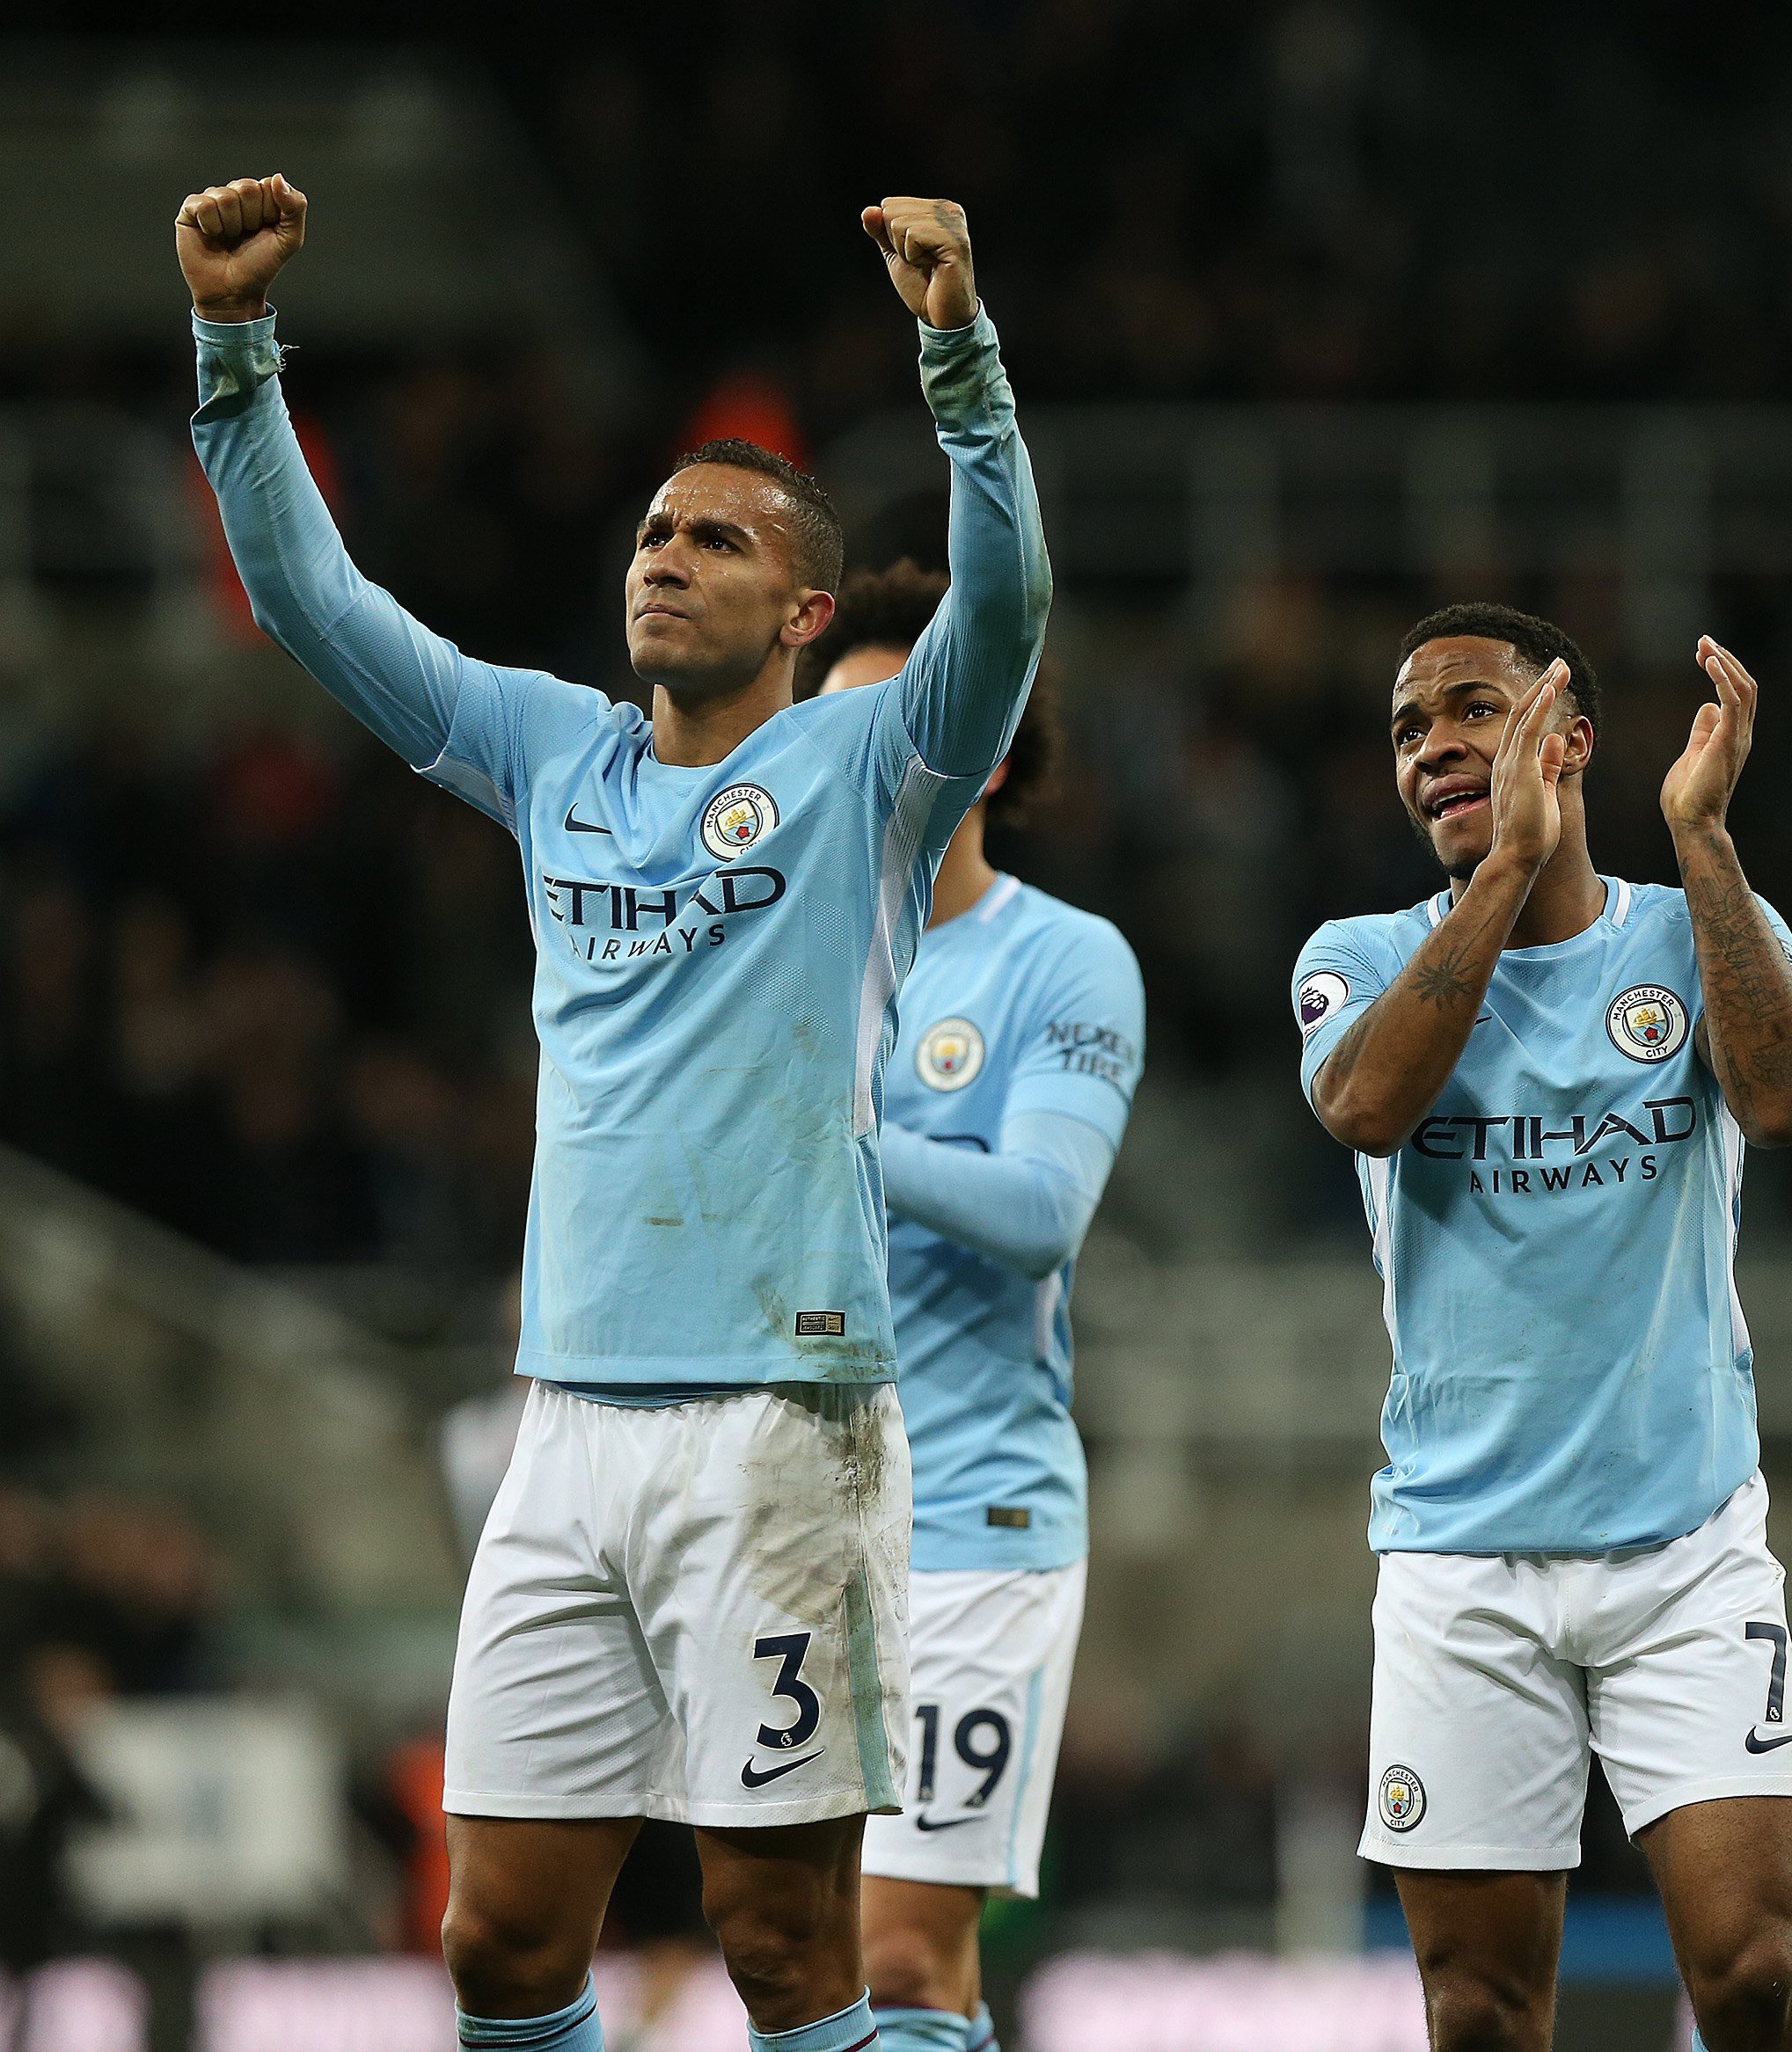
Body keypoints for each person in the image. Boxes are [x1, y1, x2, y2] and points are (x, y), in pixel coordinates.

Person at [176, 174, 1050, 2052]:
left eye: (717, 538)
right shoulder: (546, 749)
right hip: (563, 1421)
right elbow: (310, 601)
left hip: (787, 1423)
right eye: (653, 528)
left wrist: (957, 360)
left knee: (782, 1942)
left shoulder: (872, 764)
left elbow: (1012, 595)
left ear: (807, 605)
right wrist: (234, 355)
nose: (663, 552)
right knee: (498, 1937)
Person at [1291, 606, 1792, 2052]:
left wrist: (1703, 835)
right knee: (1477, 2007)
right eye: (1409, 730)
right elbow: (1362, 1106)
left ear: (1572, 736)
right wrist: (1516, 859)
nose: (1436, 748)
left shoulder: (1694, 928)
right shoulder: (1354, 953)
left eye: (1472, 707)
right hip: (1461, 1557)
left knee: (1756, 1977)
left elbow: (1788, 1103)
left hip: (1686, 1546)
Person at [807, 566, 1145, 2052]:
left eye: (890, 719)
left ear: (984, 751)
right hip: (773, 1511)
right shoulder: (780, 956)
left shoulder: (1062, 958)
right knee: (793, 1941)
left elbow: (1040, 1211)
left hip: (970, 1522)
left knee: (897, 1942)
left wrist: (842, 1138)